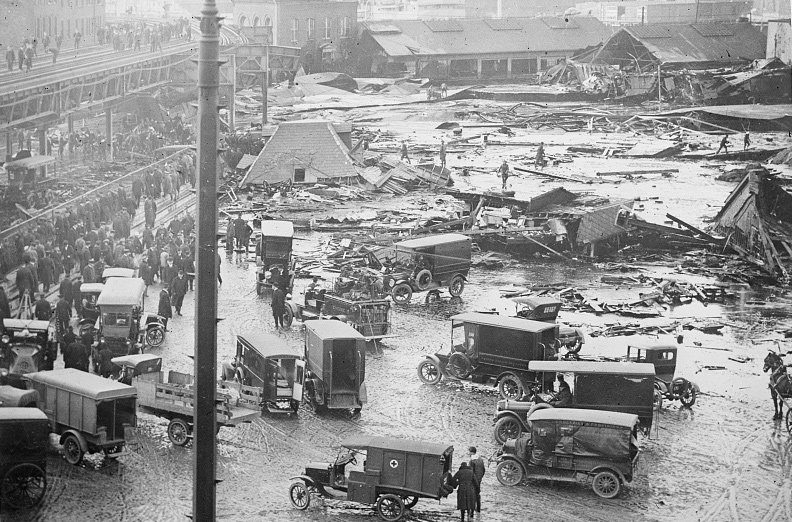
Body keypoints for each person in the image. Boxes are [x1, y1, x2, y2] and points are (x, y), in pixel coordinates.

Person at [468, 447, 485, 514]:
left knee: (472, 494)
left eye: (469, 452)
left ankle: (472, 509)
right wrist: (480, 478)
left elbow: (471, 472)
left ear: (472, 452)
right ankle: (478, 508)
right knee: (477, 494)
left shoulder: (472, 461)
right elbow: (483, 470)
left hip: (474, 480)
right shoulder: (480, 459)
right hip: (479, 479)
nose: (468, 453)